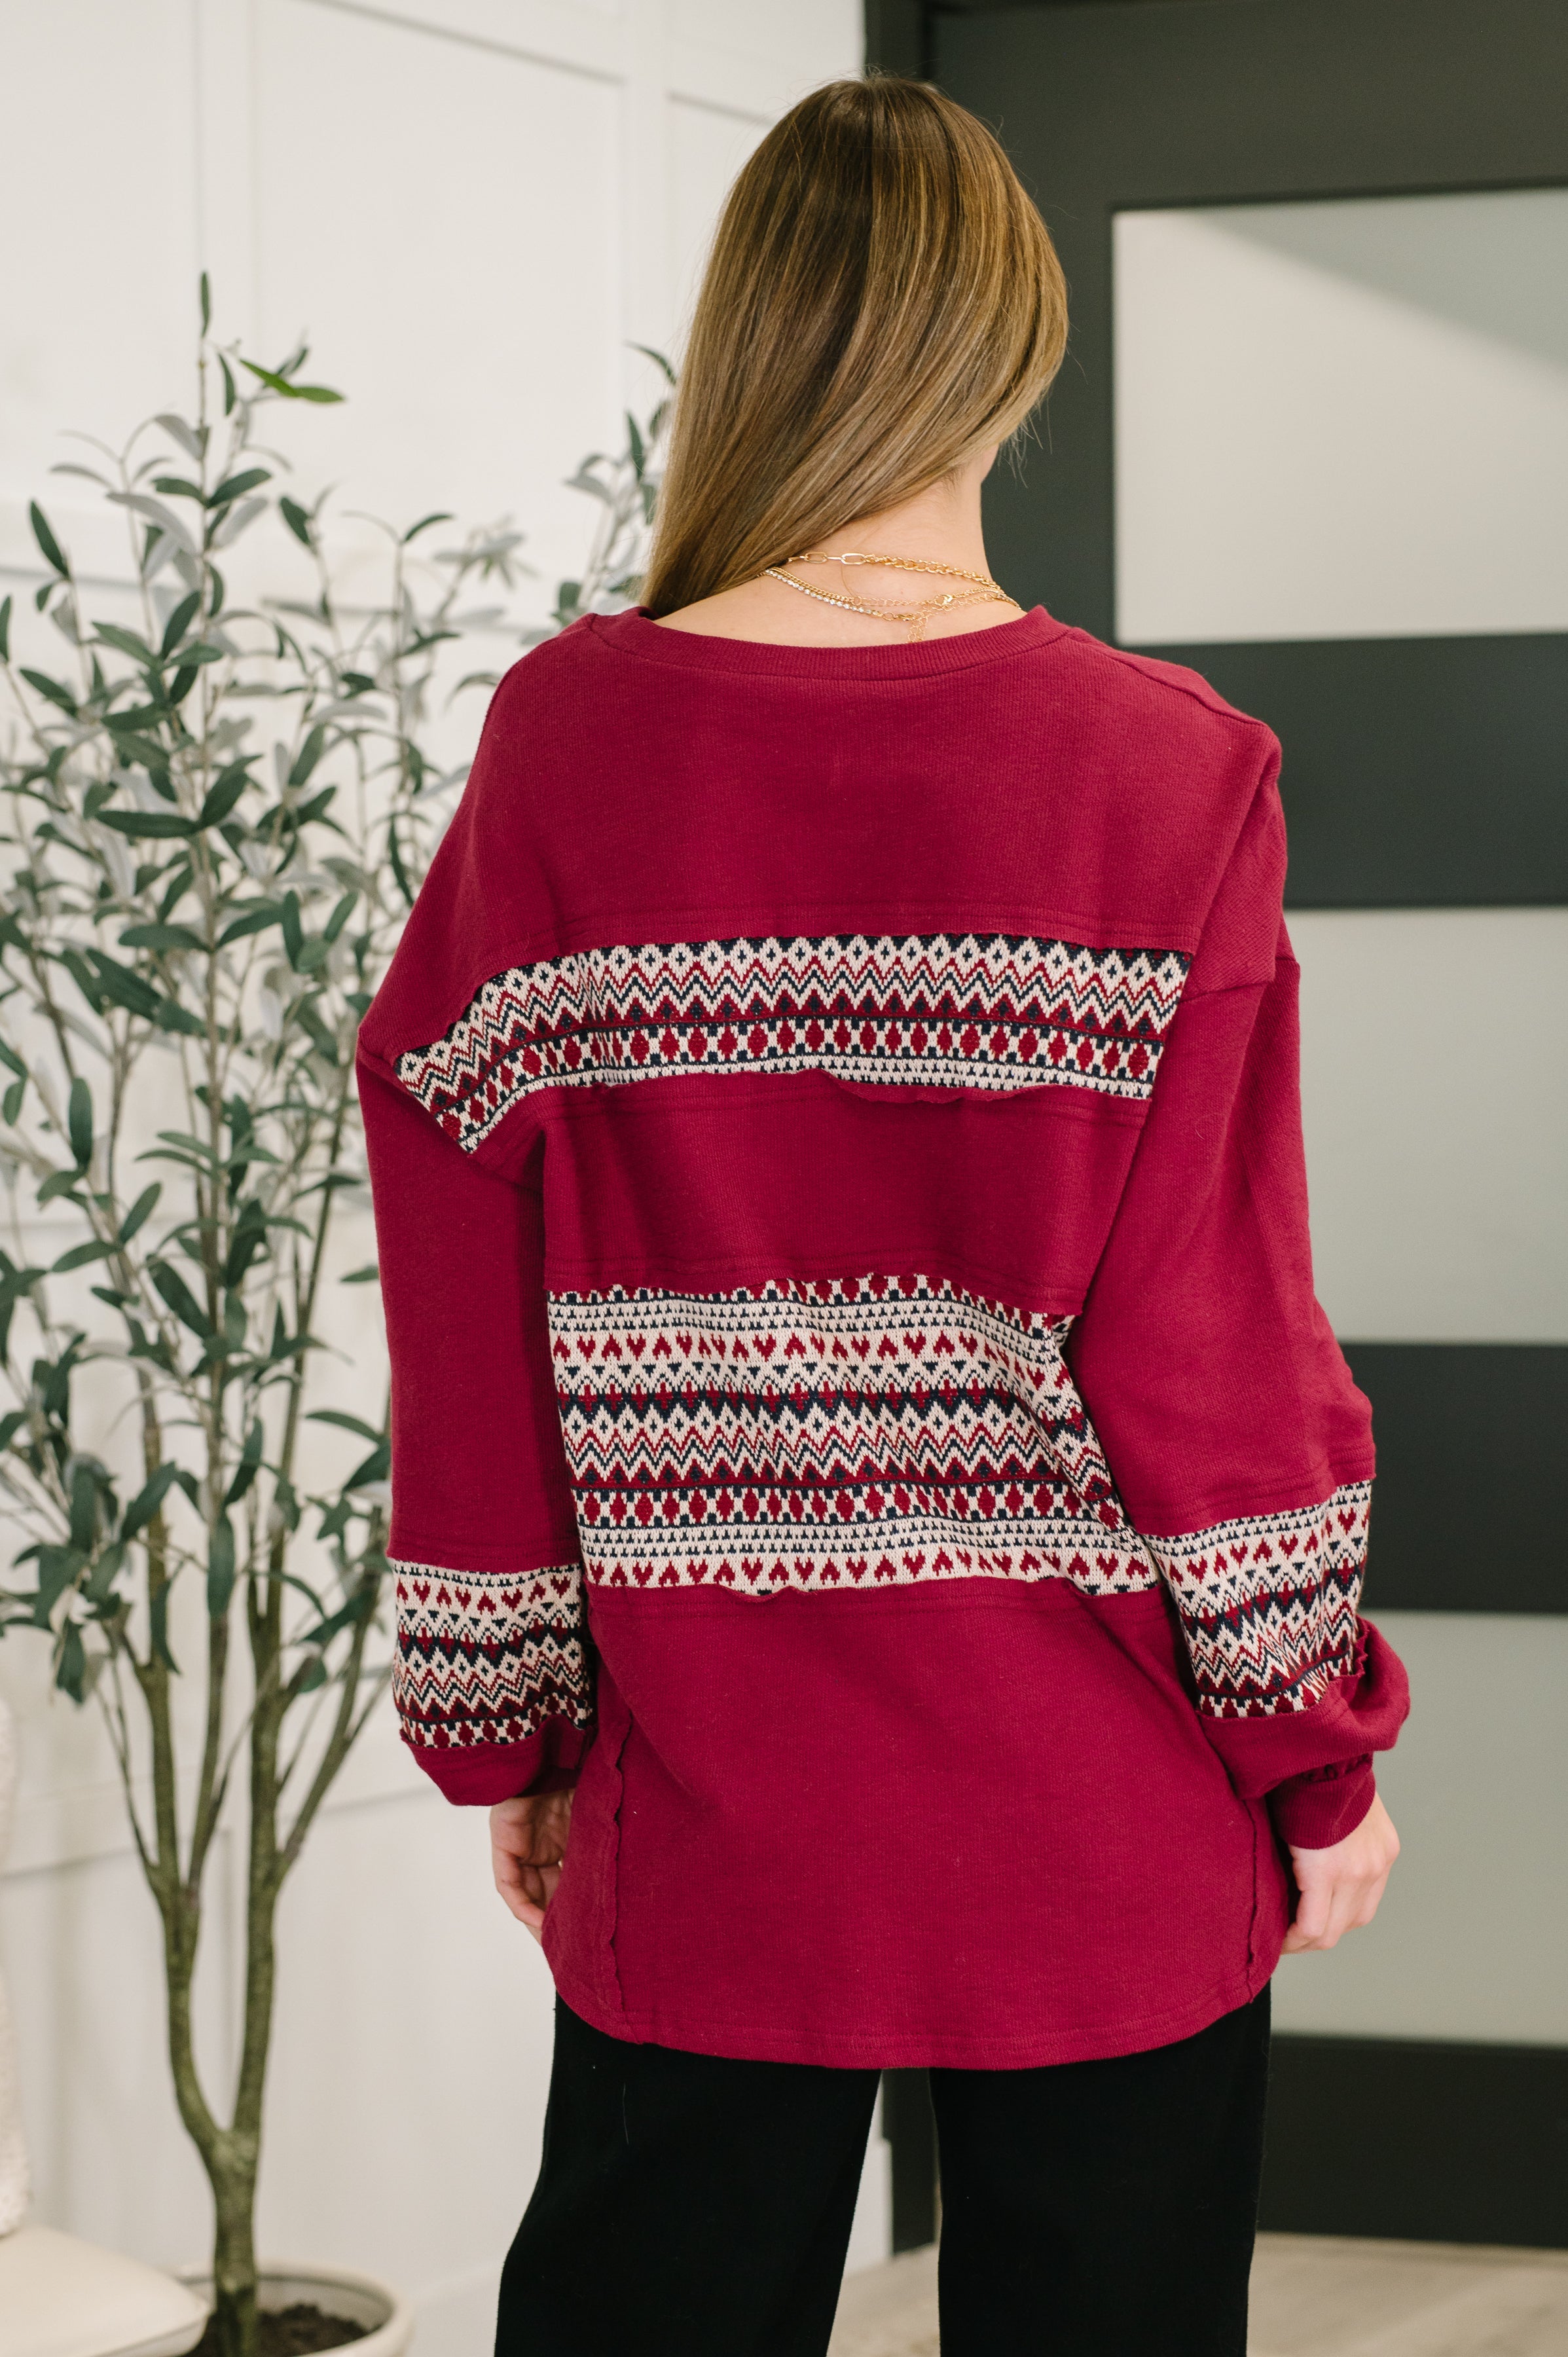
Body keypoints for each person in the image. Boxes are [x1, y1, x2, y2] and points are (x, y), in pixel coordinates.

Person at [359, 74, 1408, 2357]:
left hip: (710, 1791)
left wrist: (513, 1720)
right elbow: (1206, 1345)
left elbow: (460, 1241)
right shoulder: (1168, 770)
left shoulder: (566, 745)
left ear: (750, 338)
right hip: (1100, 1797)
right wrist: (1312, 1749)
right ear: (1011, 350)